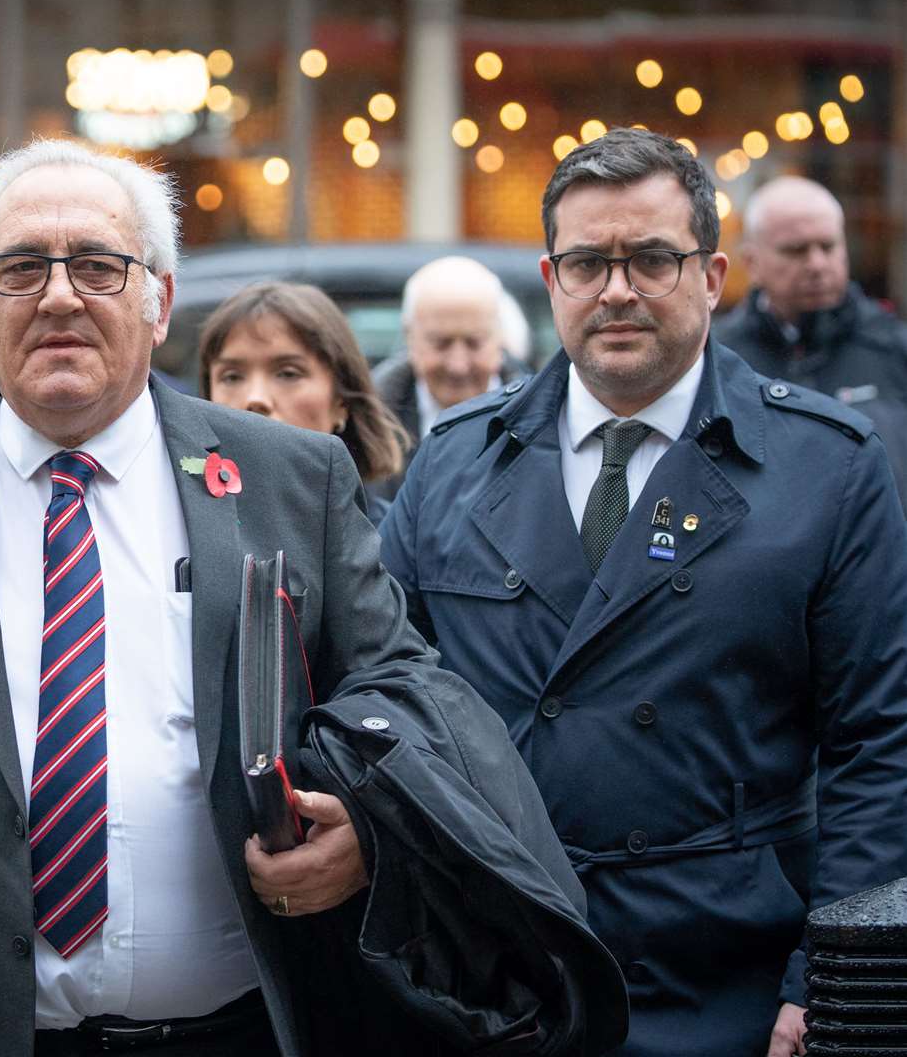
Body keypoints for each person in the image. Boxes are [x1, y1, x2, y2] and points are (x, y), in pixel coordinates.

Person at [0, 140, 535, 1056]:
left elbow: (404, 689)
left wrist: (369, 830)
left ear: (159, 300)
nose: (59, 295)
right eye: (20, 269)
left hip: (237, 1034)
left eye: (97, 265)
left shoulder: (289, 482)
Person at [378, 127, 907, 1057]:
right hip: (498, 980)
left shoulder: (829, 469)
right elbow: (383, 696)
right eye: (589, 262)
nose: (617, 289)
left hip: (731, 987)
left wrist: (836, 979)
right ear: (551, 283)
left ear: (711, 277)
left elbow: (879, 745)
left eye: (652, 259)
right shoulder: (452, 464)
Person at [714, 174, 907, 505]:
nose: (817, 264)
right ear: (751, 263)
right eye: (796, 250)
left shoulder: (892, 346)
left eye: (828, 246)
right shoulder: (720, 358)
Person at [197, 280, 407, 508]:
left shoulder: (385, 539)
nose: (255, 399)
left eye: (288, 374)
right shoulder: (176, 528)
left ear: (341, 400)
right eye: (232, 377)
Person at [371, 256, 525, 497]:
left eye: (474, 343)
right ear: (409, 339)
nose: (458, 365)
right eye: (441, 344)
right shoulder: (366, 424)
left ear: (500, 339)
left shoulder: (541, 418)